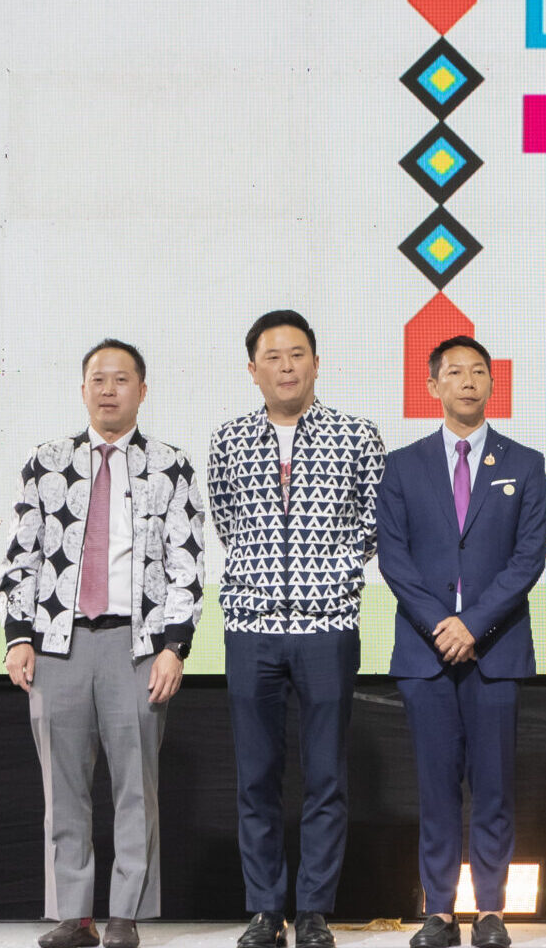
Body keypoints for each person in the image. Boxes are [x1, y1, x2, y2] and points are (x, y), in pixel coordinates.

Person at [0, 340, 204, 948]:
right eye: (98, 379)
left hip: (135, 645)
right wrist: (18, 637)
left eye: (121, 379)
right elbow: (22, 554)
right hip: (58, 643)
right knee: (62, 788)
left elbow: (187, 562)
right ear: (83, 389)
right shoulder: (47, 462)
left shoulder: (170, 465)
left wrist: (175, 646)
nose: (109, 389)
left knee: (136, 787)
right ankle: (74, 914)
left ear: (143, 390)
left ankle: (124, 915)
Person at [206, 310, 386, 948]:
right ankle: (264, 909)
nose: (286, 366)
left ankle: (313, 910)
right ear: (252, 369)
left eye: (297, 354)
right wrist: (258, 581)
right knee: (255, 775)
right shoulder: (228, 439)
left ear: (316, 362)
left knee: (325, 775)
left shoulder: (356, 435)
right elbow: (226, 521)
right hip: (250, 625)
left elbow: (373, 523)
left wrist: (330, 573)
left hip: (327, 624)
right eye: (273, 357)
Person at [376, 335, 546, 948]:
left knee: (494, 787)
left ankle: (492, 911)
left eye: (479, 371)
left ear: (492, 384)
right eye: (454, 372)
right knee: (436, 788)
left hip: (495, 650)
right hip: (424, 653)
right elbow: (394, 560)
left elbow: (528, 558)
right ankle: (440, 912)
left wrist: (472, 624)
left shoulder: (525, 463)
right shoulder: (403, 465)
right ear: (433, 386)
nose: (468, 381)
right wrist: (441, 625)